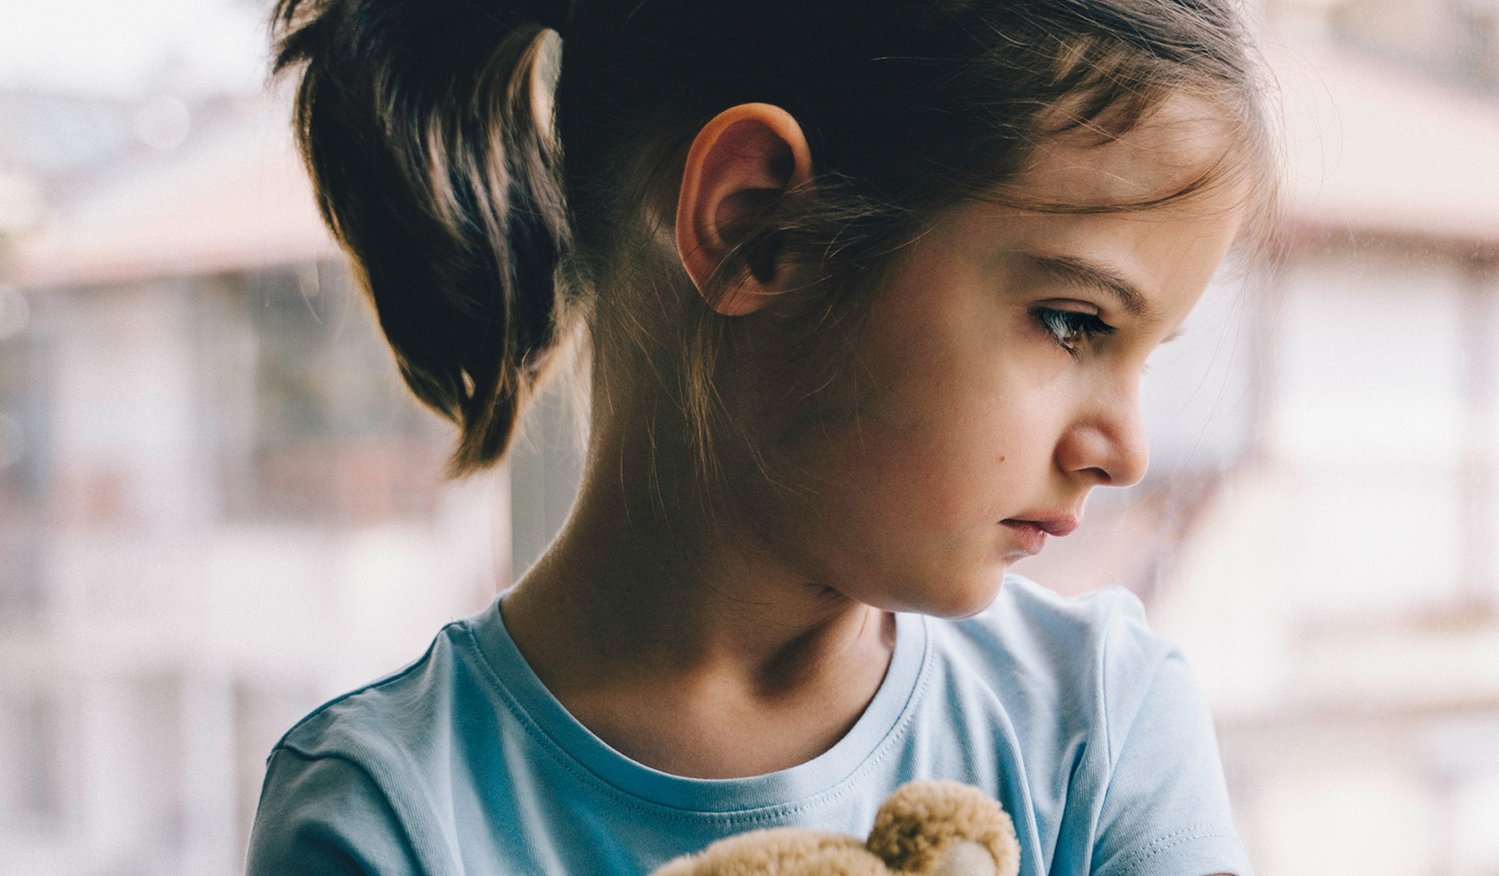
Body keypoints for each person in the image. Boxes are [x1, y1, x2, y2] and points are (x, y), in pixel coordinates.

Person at [245, 0, 1279, 872]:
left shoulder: (1101, 724)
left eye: (1150, 352)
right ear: (758, 228)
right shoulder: (386, 816)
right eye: (1073, 323)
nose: (1126, 450)